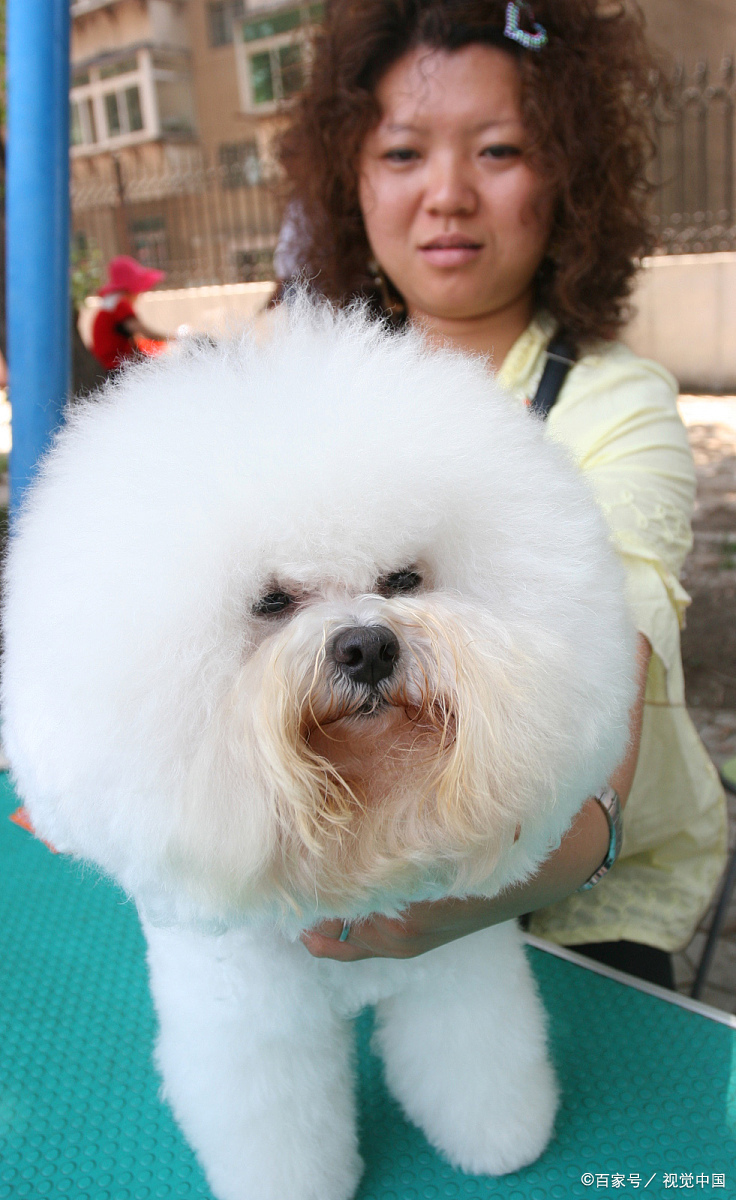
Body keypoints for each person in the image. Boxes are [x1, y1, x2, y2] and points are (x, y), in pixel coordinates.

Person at [276, 0, 728, 988]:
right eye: (402, 153)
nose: (446, 195)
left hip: (572, 906)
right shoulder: (291, 380)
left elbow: (616, 662)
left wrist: (489, 890)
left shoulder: (615, 407)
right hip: (325, 869)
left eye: (497, 150)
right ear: (348, 177)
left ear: (566, 175)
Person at [91, 255, 170, 372]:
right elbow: (140, 329)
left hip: (112, 363)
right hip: (116, 365)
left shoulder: (111, 303)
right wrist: (171, 338)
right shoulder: (119, 303)